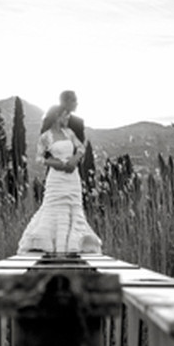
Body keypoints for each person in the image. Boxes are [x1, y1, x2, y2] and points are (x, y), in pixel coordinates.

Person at [17, 100, 102, 255]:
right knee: (54, 207)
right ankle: (50, 245)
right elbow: (39, 158)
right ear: (57, 116)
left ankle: (73, 244)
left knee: (74, 208)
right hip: (56, 178)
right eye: (65, 115)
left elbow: (81, 148)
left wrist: (74, 160)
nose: (68, 118)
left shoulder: (69, 133)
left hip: (72, 177)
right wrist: (57, 164)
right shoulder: (46, 137)